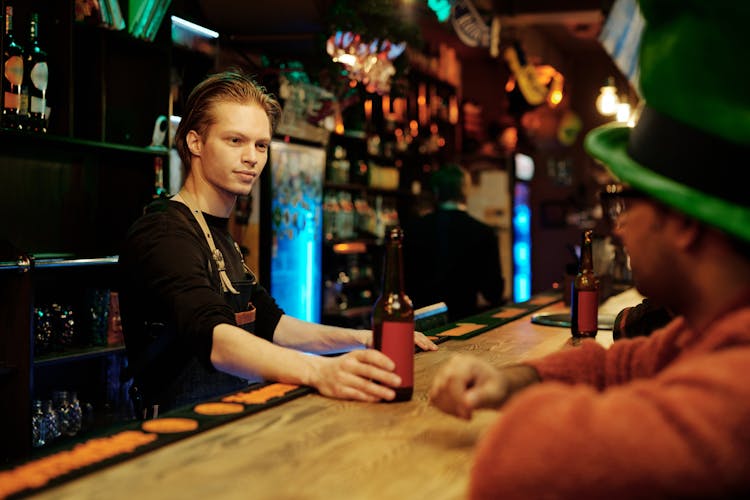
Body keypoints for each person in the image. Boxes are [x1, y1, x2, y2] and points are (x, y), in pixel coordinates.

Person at [427, 0, 750, 497]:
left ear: (683, 221)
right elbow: (618, 365)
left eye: (624, 202)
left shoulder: (736, 383)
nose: (616, 230)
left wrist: (526, 410)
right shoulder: (709, 330)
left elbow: (517, 461)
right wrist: (511, 381)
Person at [119, 69, 437, 416]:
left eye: (261, 145)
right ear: (195, 142)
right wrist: (319, 370)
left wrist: (361, 339)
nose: (252, 157)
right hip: (173, 438)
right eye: (235, 141)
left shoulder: (218, 233)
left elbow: (273, 324)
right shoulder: (164, 232)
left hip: (226, 425)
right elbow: (216, 339)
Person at [403, 164, 504, 321]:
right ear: (466, 191)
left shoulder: (412, 229)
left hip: (421, 323)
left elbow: (403, 284)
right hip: (466, 319)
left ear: (436, 192)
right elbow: (494, 292)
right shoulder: (483, 232)